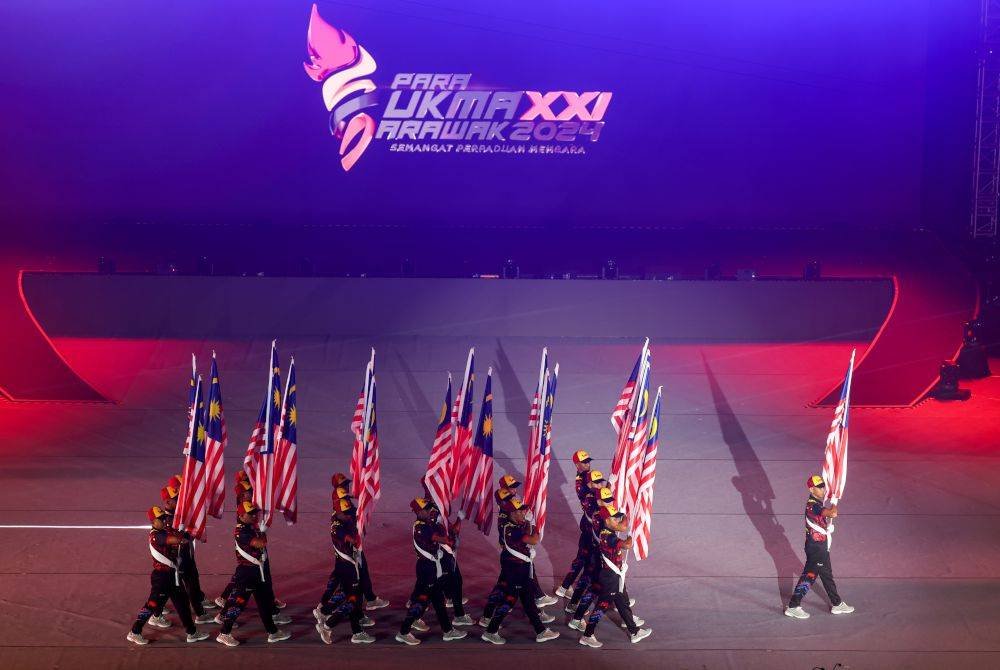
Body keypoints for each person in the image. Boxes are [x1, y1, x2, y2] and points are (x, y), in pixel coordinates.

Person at [479, 497, 560, 645]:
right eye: (520, 511)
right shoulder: (511, 529)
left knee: (528, 601)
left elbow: (526, 533)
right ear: (512, 513)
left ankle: (541, 631)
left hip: (520, 569)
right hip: (515, 570)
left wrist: (529, 522)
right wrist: (535, 526)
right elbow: (534, 540)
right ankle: (490, 631)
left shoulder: (515, 524)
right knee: (509, 601)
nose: (524, 512)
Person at [126, 506, 209, 645]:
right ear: (153, 521)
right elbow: (177, 540)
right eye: (160, 519)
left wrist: (185, 532)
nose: (164, 521)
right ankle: (135, 631)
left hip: (172, 576)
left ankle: (192, 632)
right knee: (151, 605)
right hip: (162, 578)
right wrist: (185, 533)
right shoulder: (156, 535)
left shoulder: (164, 531)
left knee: (182, 604)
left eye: (164, 518)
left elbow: (180, 538)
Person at [213, 472, 289, 624]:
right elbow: (257, 540)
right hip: (250, 557)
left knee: (256, 586)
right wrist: (262, 532)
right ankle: (225, 621)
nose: (253, 494)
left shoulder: (249, 509)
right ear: (242, 496)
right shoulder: (244, 512)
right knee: (241, 592)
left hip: (254, 554)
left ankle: (271, 615)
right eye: (250, 492)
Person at [215, 502, 291, 647]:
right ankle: (224, 633)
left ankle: (273, 632)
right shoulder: (241, 532)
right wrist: (262, 532)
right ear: (241, 516)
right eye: (251, 514)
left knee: (264, 604)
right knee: (237, 604)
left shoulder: (250, 527)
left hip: (257, 572)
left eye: (254, 513)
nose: (254, 516)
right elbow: (260, 544)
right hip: (247, 573)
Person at [577, 505, 651, 648]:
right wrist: (631, 536)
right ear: (607, 520)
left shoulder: (608, 530)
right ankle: (587, 635)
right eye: (614, 518)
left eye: (618, 517)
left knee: (623, 603)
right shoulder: (608, 536)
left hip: (612, 576)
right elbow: (627, 544)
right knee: (601, 607)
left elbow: (622, 526)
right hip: (610, 578)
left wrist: (626, 519)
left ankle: (634, 631)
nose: (617, 519)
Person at [395, 498, 467, 645]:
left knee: (438, 601)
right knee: (421, 602)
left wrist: (455, 522)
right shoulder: (421, 527)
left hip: (432, 567)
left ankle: (448, 631)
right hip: (427, 568)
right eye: (426, 509)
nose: (429, 511)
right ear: (419, 511)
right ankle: (403, 631)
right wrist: (449, 541)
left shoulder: (428, 524)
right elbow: (438, 538)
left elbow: (446, 532)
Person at [784, 475, 855, 619]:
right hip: (816, 548)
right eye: (819, 487)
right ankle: (793, 606)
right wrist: (834, 501)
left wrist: (827, 528)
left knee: (827, 575)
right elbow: (833, 513)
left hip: (820, 546)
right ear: (811, 489)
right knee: (809, 576)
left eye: (823, 486)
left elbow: (821, 521)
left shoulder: (817, 502)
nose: (823, 489)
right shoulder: (813, 505)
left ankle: (837, 604)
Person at [152, 484, 215, 627]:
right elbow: (181, 540)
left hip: (186, 556)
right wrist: (188, 532)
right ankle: (157, 614)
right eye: (176, 499)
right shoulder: (166, 520)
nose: (180, 500)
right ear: (167, 502)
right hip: (177, 561)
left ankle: (198, 613)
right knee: (174, 588)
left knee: (190, 585)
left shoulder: (178, 515)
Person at [314, 498, 375, 644]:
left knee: (352, 597)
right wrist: (357, 532)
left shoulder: (344, 518)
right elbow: (350, 539)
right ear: (338, 512)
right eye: (346, 513)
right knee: (352, 601)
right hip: (347, 568)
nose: (349, 515)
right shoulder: (337, 527)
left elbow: (354, 516)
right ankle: (328, 626)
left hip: (349, 565)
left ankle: (326, 613)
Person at [333, 473, 390, 611]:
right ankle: (326, 609)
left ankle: (368, 600)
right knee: (349, 576)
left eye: (347, 483)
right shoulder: (340, 498)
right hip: (348, 545)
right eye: (344, 484)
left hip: (349, 541)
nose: (347, 486)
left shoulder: (342, 497)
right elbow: (350, 513)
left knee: (350, 574)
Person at [557, 462, 602, 600]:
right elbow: (597, 502)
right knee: (584, 561)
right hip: (590, 531)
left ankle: (565, 587)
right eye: (584, 462)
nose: (588, 464)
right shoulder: (586, 492)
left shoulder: (588, 484)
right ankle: (567, 590)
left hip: (590, 529)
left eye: (588, 461)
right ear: (577, 465)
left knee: (586, 562)